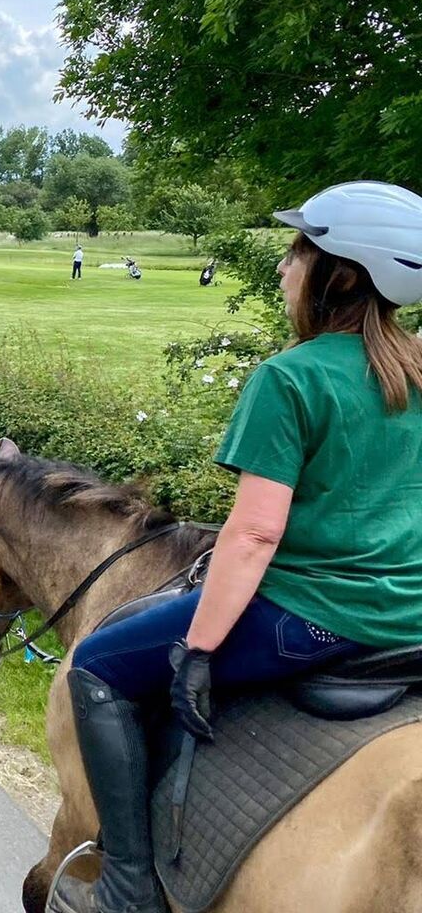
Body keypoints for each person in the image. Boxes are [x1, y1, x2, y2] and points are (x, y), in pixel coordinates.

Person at [51, 180, 422, 913]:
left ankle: (126, 886)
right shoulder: (415, 370)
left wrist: (199, 649)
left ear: (342, 276)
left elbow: (253, 534)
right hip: (409, 619)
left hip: (314, 619)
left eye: (296, 253)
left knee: (96, 666)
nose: (283, 268)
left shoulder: (289, 379)